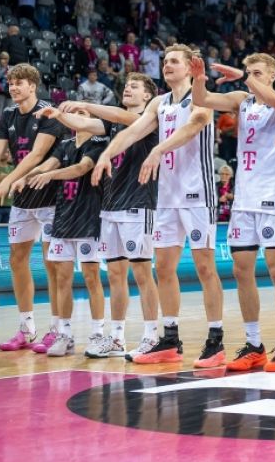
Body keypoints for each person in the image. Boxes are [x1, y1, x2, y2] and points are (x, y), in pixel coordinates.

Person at [94, 45, 224, 367]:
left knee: (205, 267)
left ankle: (215, 340)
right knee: (163, 268)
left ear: (191, 67)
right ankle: (169, 338)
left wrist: (158, 151)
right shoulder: (159, 102)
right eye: (165, 61)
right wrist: (105, 155)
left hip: (198, 194)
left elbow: (194, 125)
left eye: (174, 61)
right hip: (166, 197)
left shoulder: (201, 97)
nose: (167, 66)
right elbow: (134, 131)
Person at [195, 54, 275, 373]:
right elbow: (203, 99)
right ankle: (254, 344)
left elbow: (272, 98)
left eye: (258, 72)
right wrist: (198, 77)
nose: (251, 76)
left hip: (274, 197)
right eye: (249, 71)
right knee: (241, 270)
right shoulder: (242, 100)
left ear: (271, 75)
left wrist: (244, 76)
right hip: (244, 199)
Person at [55, 74, 161, 359]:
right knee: (115, 274)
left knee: (141, 271)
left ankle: (152, 336)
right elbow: (83, 123)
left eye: (135, 86)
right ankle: (116, 338)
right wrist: (58, 112)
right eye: (126, 85)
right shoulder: (113, 121)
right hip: (111, 205)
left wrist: (83, 103)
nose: (128, 88)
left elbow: (111, 114)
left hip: (138, 203)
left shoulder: (150, 120)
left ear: (148, 96)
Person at [0, 64, 65, 352]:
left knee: (52, 264)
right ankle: (27, 327)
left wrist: (6, 182)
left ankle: (56, 329)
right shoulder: (8, 115)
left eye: (19, 82)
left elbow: (37, 154)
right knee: (16, 259)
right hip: (23, 201)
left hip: (50, 198)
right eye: (10, 83)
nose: (13, 87)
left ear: (33, 85)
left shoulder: (48, 112)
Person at [14, 107, 108, 356]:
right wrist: (26, 176)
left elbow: (81, 168)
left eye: (83, 112)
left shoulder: (99, 141)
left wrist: (50, 176)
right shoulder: (66, 144)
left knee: (91, 278)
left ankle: (98, 332)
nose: (77, 115)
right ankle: (64, 335)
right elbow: (48, 164)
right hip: (63, 219)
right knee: (62, 278)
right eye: (74, 112)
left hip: (89, 219)